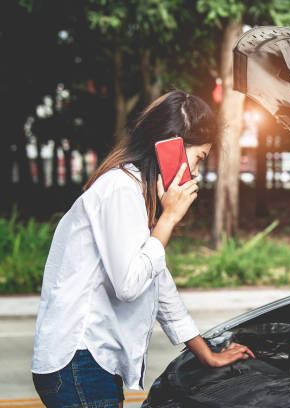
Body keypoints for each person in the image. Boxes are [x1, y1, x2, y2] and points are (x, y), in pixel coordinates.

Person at [31, 90, 254, 407]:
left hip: (88, 362)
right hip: (79, 361)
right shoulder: (121, 188)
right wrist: (169, 219)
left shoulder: (133, 190)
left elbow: (158, 281)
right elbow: (129, 284)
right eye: (198, 158)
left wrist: (207, 354)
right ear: (172, 146)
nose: (195, 173)